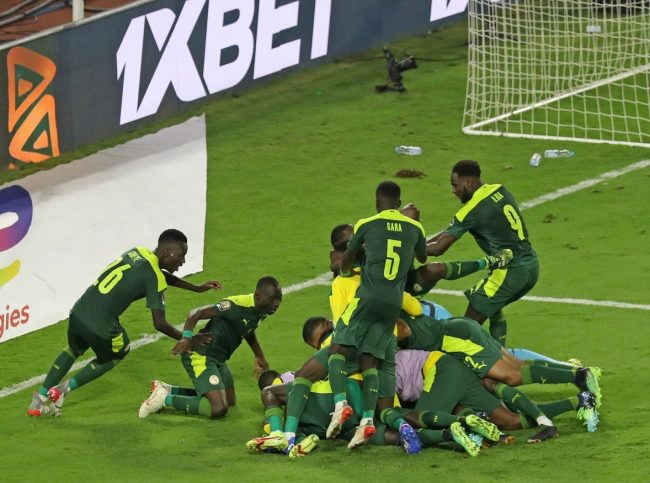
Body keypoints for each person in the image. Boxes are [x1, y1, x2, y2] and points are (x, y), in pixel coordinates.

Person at [27, 229, 221, 417]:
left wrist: (195, 288)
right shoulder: (154, 278)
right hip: (101, 325)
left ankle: (39, 400)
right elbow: (160, 323)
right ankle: (62, 390)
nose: (183, 261)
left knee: (73, 349)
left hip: (79, 312)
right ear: (167, 252)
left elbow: (158, 274)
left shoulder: (138, 251)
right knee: (119, 351)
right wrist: (188, 339)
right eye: (181, 255)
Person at [327, 181, 428, 450]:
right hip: (392, 304)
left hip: (368, 298)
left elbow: (348, 258)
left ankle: (340, 405)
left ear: (376, 202)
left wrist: (346, 272)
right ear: (399, 203)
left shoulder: (366, 223)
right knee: (371, 360)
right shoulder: (415, 227)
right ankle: (367, 421)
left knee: (337, 350)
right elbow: (422, 257)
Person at [397, 312, 602, 438]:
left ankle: (579, 376)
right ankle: (578, 383)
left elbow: (404, 331)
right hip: (455, 334)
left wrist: (385, 340)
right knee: (515, 368)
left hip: (453, 340)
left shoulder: (383, 310)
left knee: (512, 375)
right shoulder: (387, 298)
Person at [426, 160, 538, 346]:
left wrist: (411, 247)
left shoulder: (472, 210)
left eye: (455, 185)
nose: (453, 190)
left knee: (464, 331)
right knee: (493, 308)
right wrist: (421, 242)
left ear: (468, 182)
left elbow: (438, 248)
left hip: (509, 272)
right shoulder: (500, 190)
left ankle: (496, 360)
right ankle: (499, 355)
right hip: (531, 266)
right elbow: (446, 233)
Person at [138, 276, 282, 419]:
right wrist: (186, 338)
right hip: (201, 355)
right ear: (258, 296)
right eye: (272, 299)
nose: (276, 304)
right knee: (218, 408)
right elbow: (196, 313)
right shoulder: (235, 305)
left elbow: (247, 327)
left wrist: (259, 355)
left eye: (278, 299)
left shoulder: (261, 310)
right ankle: (163, 399)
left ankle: (168, 390)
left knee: (229, 401)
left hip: (219, 359)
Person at [246, 372, 483, 457]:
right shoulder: (291, 381)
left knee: (393, 433)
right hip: (348, 403)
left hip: (334, 411)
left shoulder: (285, 385)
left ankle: (282, 436)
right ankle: (451, 433)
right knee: (396, 429)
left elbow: (269, 393)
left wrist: (276, 429)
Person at [394, 349, 599, 443]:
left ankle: (468, 428)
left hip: (447, 370)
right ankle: (580, 401)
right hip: (454, 372)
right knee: (510, 421)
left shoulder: (384, 372)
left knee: (418, 421)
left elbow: (393, 412)